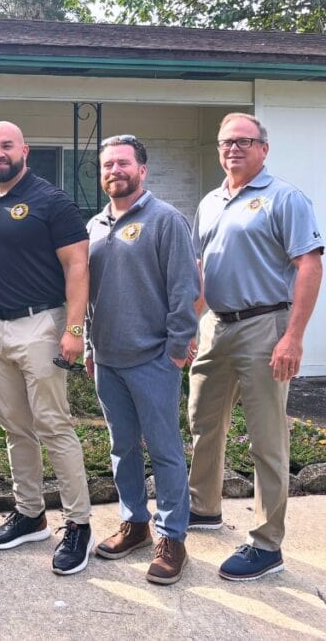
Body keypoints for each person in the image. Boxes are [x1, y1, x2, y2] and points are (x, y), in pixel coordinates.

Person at [187, 112, 324, 581]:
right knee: (204, 422)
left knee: (267, 437)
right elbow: (203, 269)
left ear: (264, 148)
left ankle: (267, 543)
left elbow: (309, 265)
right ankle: (203, 507)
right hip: (215, 327)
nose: (233, 149)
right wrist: (189, 324)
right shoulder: (209, 202)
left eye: (245, 141)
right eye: (226, 142)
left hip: (266, 326)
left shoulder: (284, 198)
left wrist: (294, 336)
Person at [0, 121, 94, 576]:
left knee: (53, 425)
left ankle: (78, 523)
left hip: (42, 322)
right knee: (15, 427)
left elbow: (78, 265)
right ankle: (30, 513)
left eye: (6, 145)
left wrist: (75, 330)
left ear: (25, 149)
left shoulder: (52, 201)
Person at [84, 135, 200, 585]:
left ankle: (172, 538)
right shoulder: (94, 225)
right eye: (107, 164)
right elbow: (91, 297)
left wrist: (175, 351)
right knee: (121, 447)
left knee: (166, 450)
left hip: (153, 359)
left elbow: (184, 291)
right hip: (108, 361)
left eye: (123, 163)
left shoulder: (166, 220)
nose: (114, 170)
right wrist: (92, 349)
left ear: (142, 171)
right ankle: (134, 523)